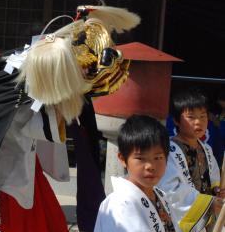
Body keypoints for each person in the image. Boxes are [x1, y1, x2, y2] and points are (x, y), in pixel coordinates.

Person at [95, 115, 180, 232]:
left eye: (158, 157)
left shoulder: (159, 195)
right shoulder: (119, 204)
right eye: (141, 158)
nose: (150, 166)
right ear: (123, 159)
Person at [158, 88, 225, 231]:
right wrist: (208, 202)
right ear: (176, 120)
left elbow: (213, 180)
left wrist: (217, 190)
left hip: (208, 217)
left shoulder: (206, 149)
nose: (198, 122)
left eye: (203, 116)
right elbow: (170, 190)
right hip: (185, 221)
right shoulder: (169, 150)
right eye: (191, 117)